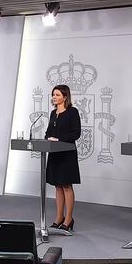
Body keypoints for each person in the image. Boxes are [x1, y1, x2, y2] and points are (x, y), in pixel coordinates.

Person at [45, 84, 81, 231]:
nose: (54, 97)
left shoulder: (72, 112)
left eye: (57, 95)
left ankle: (68, 219)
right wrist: (49, 138)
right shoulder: (53, 113)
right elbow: (47, 133)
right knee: (57, 186)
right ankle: (59, 217)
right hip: (54, 154)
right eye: (53, 94)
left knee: (66, 186)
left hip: (67, 153)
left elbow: (76, 133)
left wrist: (58, 139)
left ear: (65, 97)